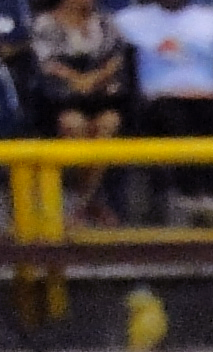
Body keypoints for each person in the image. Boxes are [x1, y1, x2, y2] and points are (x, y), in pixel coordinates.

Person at [114, 0, 213, 225]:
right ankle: (188, 192)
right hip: (158, 100)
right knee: (172, 115)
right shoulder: (131, 20)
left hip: (207, 97)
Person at [30, 0, 130, 225]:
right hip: (59, 101)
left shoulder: (105, 22)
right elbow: (47, 63)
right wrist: (76, 79)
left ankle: (81, 202)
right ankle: (88, 201)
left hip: (100, 96)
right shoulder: (45, 24)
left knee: (109, 122)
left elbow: (117, 59)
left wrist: (93, 79)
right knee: (74, 125)